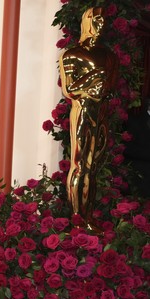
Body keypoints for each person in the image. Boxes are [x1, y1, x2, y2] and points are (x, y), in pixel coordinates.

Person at [59, 7, 118, 228]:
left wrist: (102, 88)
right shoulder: (72, 54)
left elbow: (110, 88)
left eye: (104, 20)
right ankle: (77, 218)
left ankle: (88, 217)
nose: (101, 24)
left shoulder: (109, 56)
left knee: (93, 167)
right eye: (96, 19)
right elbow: (69, 90)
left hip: (100, 113)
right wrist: (93, 80)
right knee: (80, 164)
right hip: (83, 110)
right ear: (87, 21)